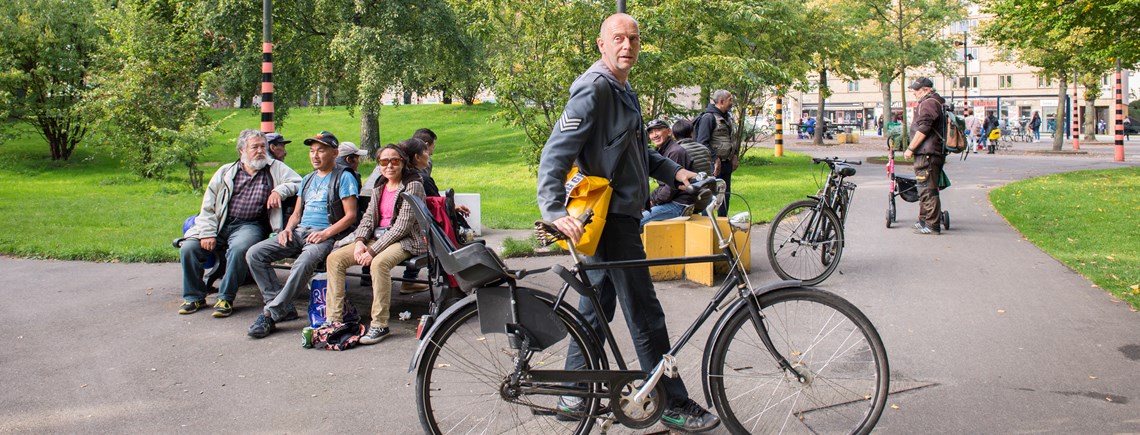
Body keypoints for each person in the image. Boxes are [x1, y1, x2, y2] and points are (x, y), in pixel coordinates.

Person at [535, 13, 718, 432]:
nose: (627, 46)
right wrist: (553, 210)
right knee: (645, 313)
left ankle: (573, 395)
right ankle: (671, 402)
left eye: (633, 39)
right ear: (601, 44)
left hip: (616, 218)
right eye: (618, 38)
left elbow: (638, 152)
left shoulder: (623, 89)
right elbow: (555, 153)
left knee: (595, 310)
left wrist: (677, 173)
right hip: (611, 220)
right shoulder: (595, 88)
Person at [245, 131, 359, 338]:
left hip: (325, 235)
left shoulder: (344, 177)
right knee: (255, 254)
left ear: (334, 153)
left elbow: (350, 216)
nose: (315, 156)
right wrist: (286, 230)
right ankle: (281, 305)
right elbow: (297, 213)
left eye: (321, 151)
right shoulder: (307, 179)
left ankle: (271, 314)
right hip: (299, 232)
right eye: (312, 151)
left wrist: (326, 234)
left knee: (304, 262)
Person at [178, 129, 301, 317]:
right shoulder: (226, 171)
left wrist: (280, 190)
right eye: (255, 147)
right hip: (220, 224)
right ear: (242, 151)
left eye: (263, 146)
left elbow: (300, 182)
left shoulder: (275, 167)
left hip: (251, 225)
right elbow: (208, 207)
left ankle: (225, 297)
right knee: (188, 248)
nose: (261, 151)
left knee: (240, 248)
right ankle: (194, 296)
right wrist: (208, 233)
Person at [323, 143, 425, 344]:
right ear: (379, 164)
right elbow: (368, 218)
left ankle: (380, 324)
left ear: (403, 162)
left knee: (379, 263)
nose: (389, 166)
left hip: (406, 240)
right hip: (375, 238)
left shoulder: (413, 184)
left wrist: (372, 251)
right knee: (335, 258)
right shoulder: (379, 185)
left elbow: (402, 227)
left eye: (394, 161)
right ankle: (334, 321)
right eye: (384, 162)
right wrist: (360, 241)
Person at [902, 77, 946, 235]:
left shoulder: (928, 103)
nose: (914, 93)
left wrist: (910, 148)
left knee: (927, 187)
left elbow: (924, 128)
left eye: (917, 90)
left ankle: (932, 224)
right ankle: (924, 220)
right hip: (933, 152)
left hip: (927, 152)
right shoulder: (937, 102)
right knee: (924, 187)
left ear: (927, 89)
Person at [641, 119, 704, 225]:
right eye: (651, 132)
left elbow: (670, 189)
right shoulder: (662, 151)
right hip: (670, 201)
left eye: (658, 130)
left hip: (679, 204)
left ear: (669, 132)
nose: (654, 135)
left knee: (637, 222)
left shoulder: (675, 152)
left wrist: (652, 202)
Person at [694, 90, 738, 217]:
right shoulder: (708, 118)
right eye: (730, 99)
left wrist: (734, 155)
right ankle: (707, 227)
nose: (732, 102)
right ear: (721, 101)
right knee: (709, 198)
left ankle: (722, 225)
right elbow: (702, 142)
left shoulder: (727, 117)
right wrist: (715, 159)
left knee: (724, 197)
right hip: (712, 166)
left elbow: (731, 138)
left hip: (726, 164)